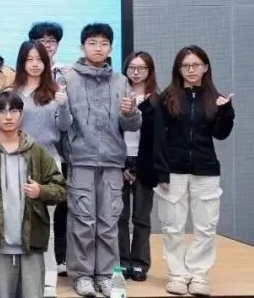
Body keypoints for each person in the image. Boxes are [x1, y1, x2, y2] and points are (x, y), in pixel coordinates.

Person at [62, 23, 141, 298]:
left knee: (109, 222)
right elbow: (62, 123)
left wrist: (131, 113)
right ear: (82, 46)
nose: (98, 48)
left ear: (111, 48)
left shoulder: (121, 81)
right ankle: (82, 275)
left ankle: (107, 276)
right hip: (81, 160)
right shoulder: (68, 79)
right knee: (83, 221)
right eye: (93, 43)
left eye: (104, 43)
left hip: (112, 161)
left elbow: (131, 125)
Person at [0, 91, 66, 298]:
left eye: (14, 111)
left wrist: (41, 191)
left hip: (31, 242)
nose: (8, 117)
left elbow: (61, 189)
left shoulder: (37, 151)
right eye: (1, 111)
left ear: (21, 114)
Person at [153, 45, 235, 297]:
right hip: (174, 170)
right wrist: (161, 171)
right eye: (185, 65)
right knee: (172, 227)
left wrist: (226, 112)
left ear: (205, 67)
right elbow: (158, 137)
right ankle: (177, 275)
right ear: (178, 69)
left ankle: (199, 275)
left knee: (206, 227)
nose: (191, 70)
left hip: (206, 170)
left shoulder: (215, 97)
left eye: (196, 65)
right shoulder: (167, 97)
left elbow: (220, 134)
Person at [9, 41, 71, 297]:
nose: (34, 64)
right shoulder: (12, 92)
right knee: (14, 224)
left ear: (46, 63)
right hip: (15, 162)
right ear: (22, 62)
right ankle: (19, 280)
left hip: (48, 162)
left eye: (39, 59)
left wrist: (64, 105)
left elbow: (65, 127)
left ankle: (48, 281)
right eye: (29, 59)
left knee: (46, 226)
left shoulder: (55, 92)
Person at [28, 21, 70, 275]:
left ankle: (52, 272)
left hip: (56, 156)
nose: (47, 46)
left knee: (54, 218)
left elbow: (65, 124)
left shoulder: (64, 76)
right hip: (22, 159)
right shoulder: (16, 86)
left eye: (51, 42)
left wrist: (63, 104)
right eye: (41, 42)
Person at [119, 51, 160, 284]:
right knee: (120, 217)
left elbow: (159, 138)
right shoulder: (119, 95)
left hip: (145, 163)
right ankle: (122, 262)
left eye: (141, 68)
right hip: (119, 161)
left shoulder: (158, 100)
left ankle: (140, 263)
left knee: (142, 217)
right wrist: (123, 164)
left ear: (149, 71)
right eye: (132, 67)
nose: (136, 72)